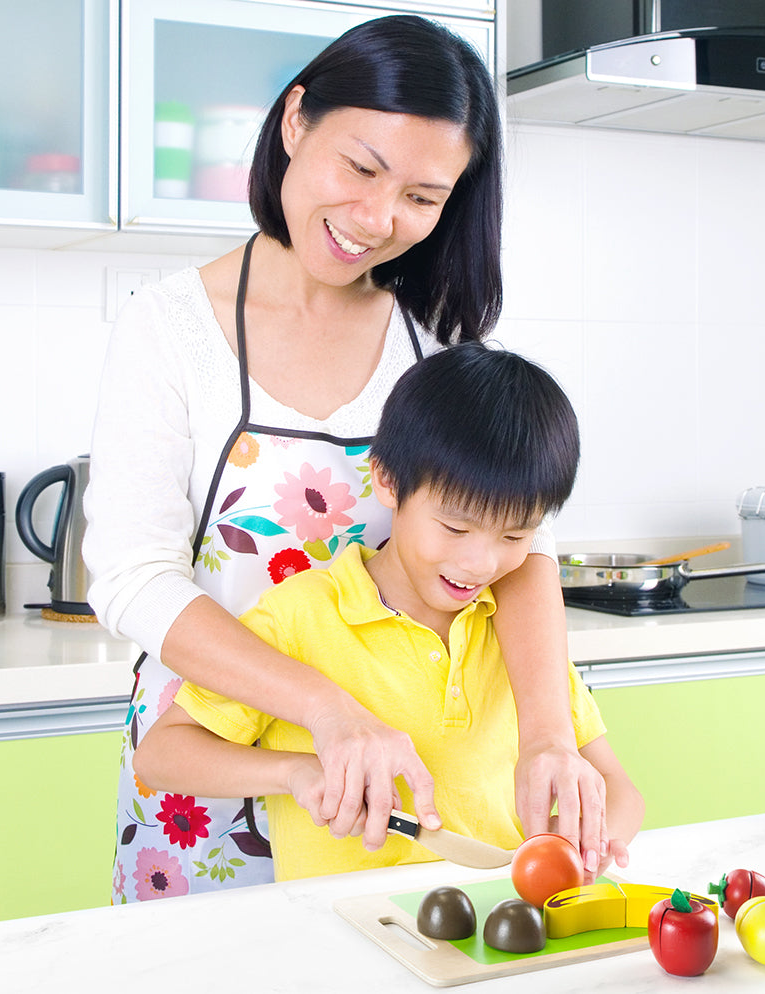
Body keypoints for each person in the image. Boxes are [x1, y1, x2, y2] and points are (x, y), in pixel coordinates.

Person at [84, 14, 607, 905]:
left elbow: (525, 555)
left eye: (422, 196)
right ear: (295, 124)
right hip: (210, 771)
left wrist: (551, 736)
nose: (377, 219)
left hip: (392, 797)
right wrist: (325, 712)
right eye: (361, 169)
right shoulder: (170, 328)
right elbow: (131, 576)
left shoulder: (437, 344)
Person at [133, 344, 644, 881]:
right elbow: (162, 754)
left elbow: (618, 787)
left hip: (492, 938)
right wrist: (295, 773)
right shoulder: (300, 618)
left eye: (515, 535)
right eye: (455, 527)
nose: (481, 562)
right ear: (387, 481)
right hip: (337, 938)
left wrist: (592, 843)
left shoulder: (517, 635)